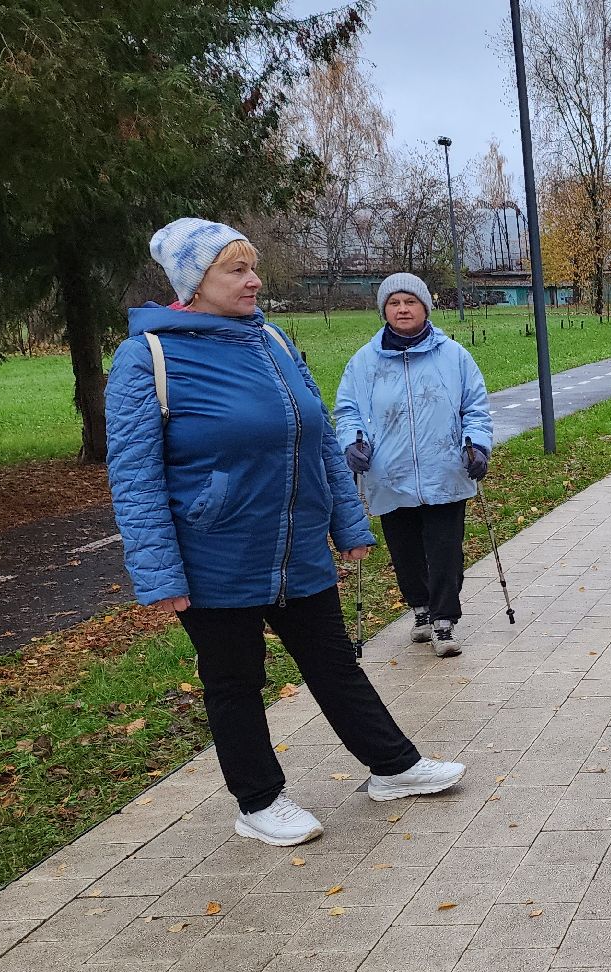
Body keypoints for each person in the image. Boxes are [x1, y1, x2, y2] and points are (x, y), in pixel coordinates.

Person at [106, 219, 466, 848]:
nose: (254, 279)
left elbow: (321, 436)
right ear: (194, 283)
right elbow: (134, 477)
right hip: (214, 554)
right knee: (235, 680)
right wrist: (159, 574)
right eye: (235, 270)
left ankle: (392, 766)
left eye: (252, 266)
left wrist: (348, 522)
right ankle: (259, 800)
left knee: (334, 664)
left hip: (296, 545)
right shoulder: (151, 356)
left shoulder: (269, 339)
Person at [334, 273, 493, 658]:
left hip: (446, 470)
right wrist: (352, 442)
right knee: (404, 551)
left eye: (410, 302)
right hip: (390, 474)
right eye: (394, 303)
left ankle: (444, 619)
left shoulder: (454, 356)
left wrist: (478, 447)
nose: (402, 309)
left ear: (425, 307)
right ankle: (420, 610)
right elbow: (347, 410)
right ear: (383, 311)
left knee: (445, 552)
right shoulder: (364, 362)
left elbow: (475, 408)